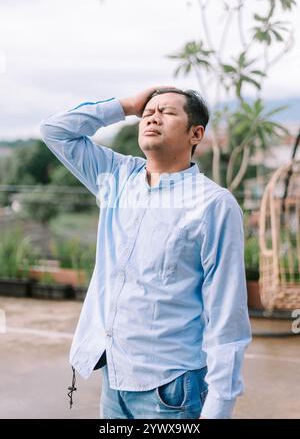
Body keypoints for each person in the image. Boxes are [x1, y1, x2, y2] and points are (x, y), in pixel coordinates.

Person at [39, 85, 252, 419]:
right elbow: (55, 131)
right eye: (148, 112)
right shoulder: (118, 177)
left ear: (196, 133)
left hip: (172, 390)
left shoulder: (214, 205)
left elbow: (228, 315)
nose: (153, 117)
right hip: (114, 379)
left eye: (166, 112)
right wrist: (124, 106)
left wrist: (219, 407)